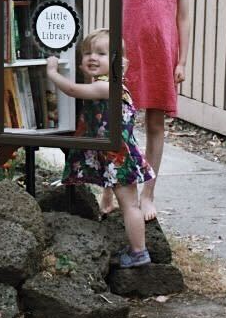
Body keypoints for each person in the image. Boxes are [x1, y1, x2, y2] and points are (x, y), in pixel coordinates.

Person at [85, 0, 196, 222]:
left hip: (162, 56)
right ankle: (110, 189)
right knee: (121, 122)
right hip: (128, 56)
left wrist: (182, 61)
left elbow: (184, 16)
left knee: (156, 124)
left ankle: (148, 193)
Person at [46, 29, 155, 268]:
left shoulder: (108, 87)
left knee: (130, 205)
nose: (92, 57)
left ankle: (139, 252)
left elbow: (74, 91)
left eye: (101, 54)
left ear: (119, 63)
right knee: (127, 203)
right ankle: (136, 248)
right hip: (114, 153)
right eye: (87, 53)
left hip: (119, 157)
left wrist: (52, 73)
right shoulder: (105, 84)